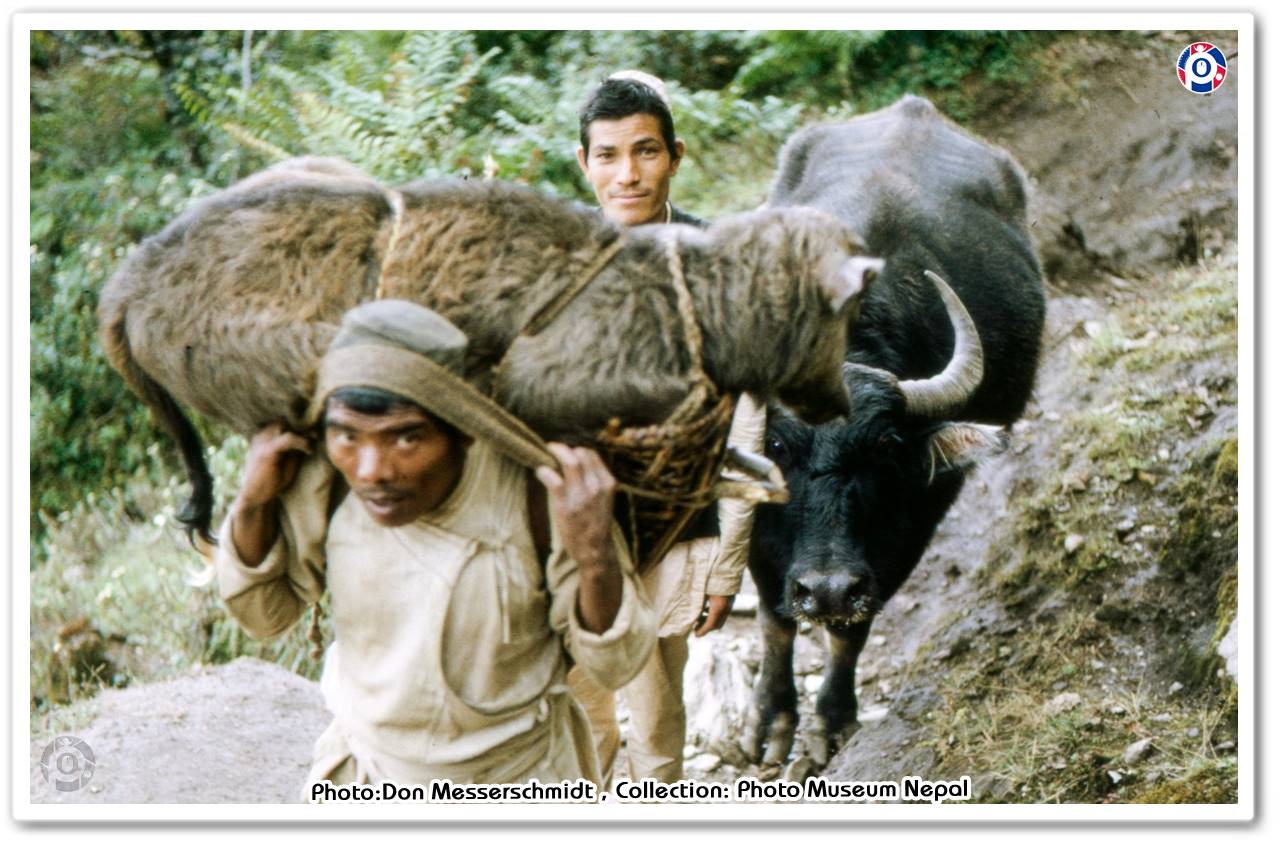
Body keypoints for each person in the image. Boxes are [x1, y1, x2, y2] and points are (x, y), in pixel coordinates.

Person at [215, 300, 656, 795]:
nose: (371, 470)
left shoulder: (537, 494)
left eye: (405, 439)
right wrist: (252, 502)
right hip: (368, 780)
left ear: (464, 430)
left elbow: (615, 664)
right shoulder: (329, 486)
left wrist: (594, 550)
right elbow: (263, 615)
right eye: (347, 437)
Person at [570, 70, 767, 783]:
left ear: (676, 156)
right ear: (584, 163)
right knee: (579, 712)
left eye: (646, 152)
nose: (629, 173)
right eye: (610, 155)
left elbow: (746, 417)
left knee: (656, 712)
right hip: (572, 524)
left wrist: (729, 558)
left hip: (672, 524)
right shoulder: (560, 261)